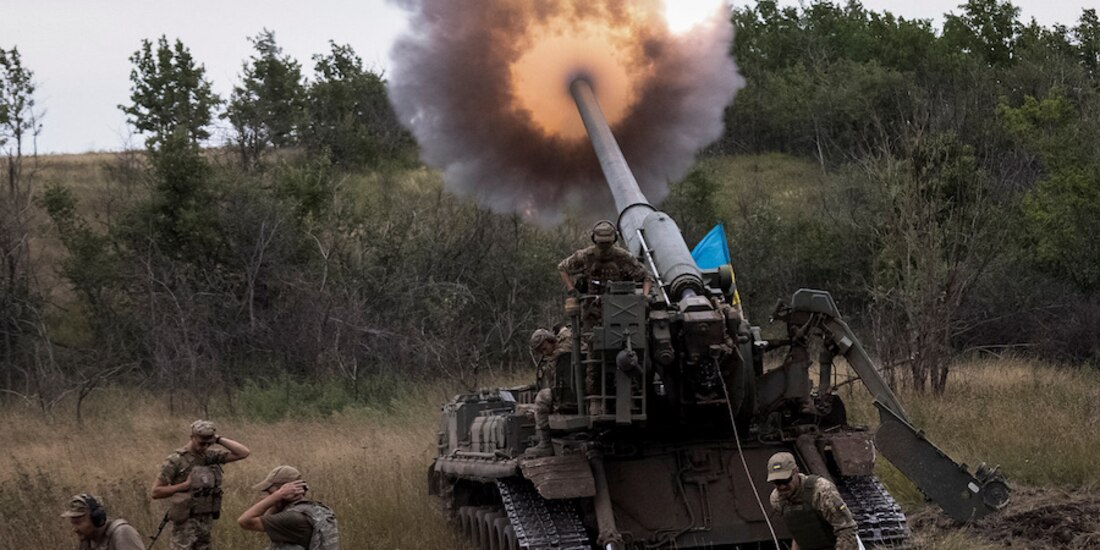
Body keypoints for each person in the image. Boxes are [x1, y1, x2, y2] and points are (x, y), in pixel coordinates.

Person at [150, 420, 250, 550]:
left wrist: (219, 439)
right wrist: (185, 485)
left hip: (205, 521)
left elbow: (243, 453)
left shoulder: (209, 456)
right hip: (184, 523)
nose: (204, 447)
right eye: (201, 443)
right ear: (192, 437)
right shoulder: (175, 460)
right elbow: (156, 492)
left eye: (209, 443)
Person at [767, 452, 859, 550]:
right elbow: (800, 532)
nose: (782, 486)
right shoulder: (777, 499)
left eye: (785, 480)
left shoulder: (821, 491)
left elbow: (846, 529)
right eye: (777, 482)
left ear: (796, 472)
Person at [238, 465, 340, 550]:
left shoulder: (291, 518)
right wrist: (276, 501)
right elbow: (268, 518)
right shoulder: (312, 510)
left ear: (283, 490)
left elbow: (244, 521)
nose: (266, 495)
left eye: (269, 491)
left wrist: (276, 496)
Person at [524, 325, 571, 458]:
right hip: (570, 392)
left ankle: (545, 443)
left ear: (551, 340)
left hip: (569, 393)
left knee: (542, 398)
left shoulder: (563, 348)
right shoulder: (566, 344)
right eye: (541, 351)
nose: (544, 353)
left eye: (544, 348)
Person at [61, 493, 146, 550]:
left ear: (97, 518)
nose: (75, 529)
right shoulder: (87, 541)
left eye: (78, 522)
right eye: (73, 523)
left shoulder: (122, 533)